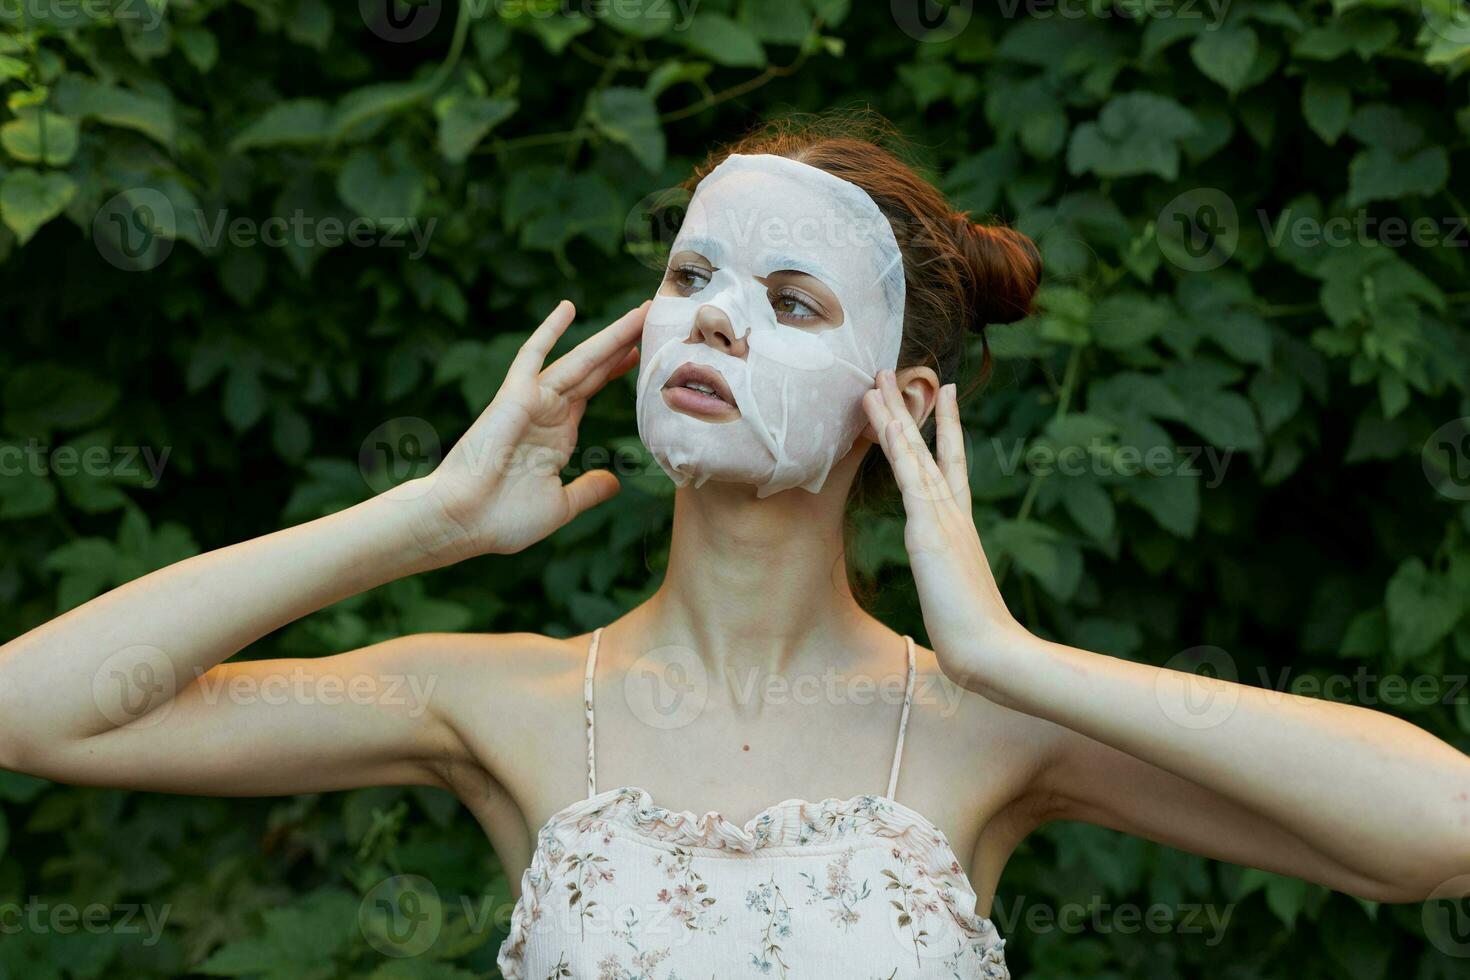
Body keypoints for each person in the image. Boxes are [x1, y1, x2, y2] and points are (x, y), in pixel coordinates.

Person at [1, 116, 1467, 979]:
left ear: (894, 406)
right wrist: (424, 521)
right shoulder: (493, 698)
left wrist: (1010, 657)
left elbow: (1440, 836)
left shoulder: (991, 728)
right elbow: (30, 710)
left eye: (791, 298)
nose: (711, 318)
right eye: (690, 275)